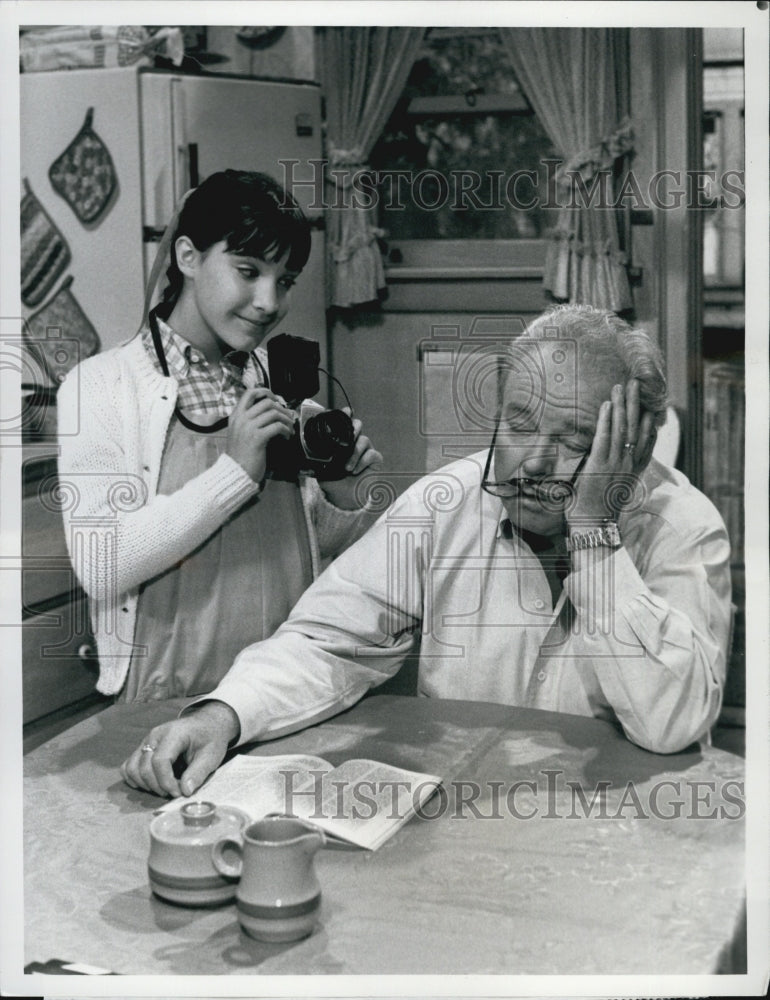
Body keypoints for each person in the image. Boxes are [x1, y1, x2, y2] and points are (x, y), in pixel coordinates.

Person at [122, 304, 732, 797]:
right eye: (518, 426)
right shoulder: (448, 500)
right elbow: (324, 639)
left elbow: (672, 724)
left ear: (632, 447)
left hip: (619, 833)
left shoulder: (682, 527)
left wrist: (594, 533)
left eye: (573, 440)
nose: (533, 463)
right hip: (466, 818)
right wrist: (222, 715)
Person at [57, 169, 381, 702]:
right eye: (248, 271)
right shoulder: (101, 387)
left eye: (285, 280)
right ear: (188, 257)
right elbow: (101, 563)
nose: (268, 301)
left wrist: (341, 495)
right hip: (166, 695)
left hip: (278, 690)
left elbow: (303, 557)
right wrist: (234, 473)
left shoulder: (277, 384)